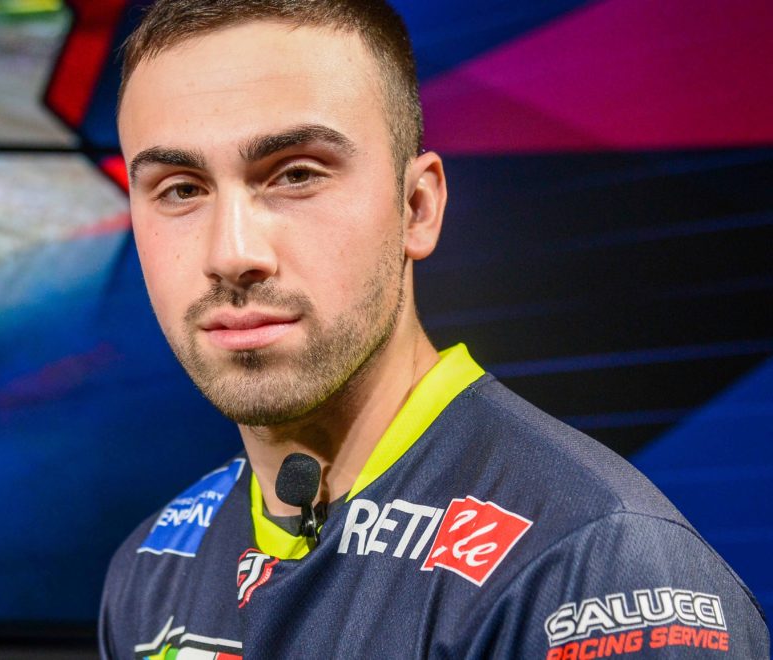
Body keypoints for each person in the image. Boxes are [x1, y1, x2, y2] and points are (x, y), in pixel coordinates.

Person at [100, 1, 770, 657]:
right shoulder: (151, 571)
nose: (231, 253)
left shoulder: (594, 574)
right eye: (180, 189)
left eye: (296, 175)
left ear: (417, 208)